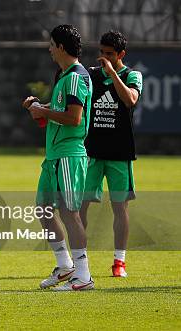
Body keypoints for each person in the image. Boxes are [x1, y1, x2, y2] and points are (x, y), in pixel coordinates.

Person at [22, 24, 94, 291]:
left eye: (52, 44)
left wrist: (43, 112)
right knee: (43, 209)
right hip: (55, 156)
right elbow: (64, 108)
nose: (49, 49)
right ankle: (65, 266)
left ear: (61, 47)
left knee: (69, 213)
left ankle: (83, 275)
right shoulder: (65, 76)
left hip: (68, 155)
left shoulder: (75, 77)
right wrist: (40, 107)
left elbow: (75, 119)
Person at [80, 31, 143, 278]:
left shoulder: (132, 75)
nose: (103, 58)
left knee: (120, 209)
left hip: (120, 154)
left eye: (109, 54)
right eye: (101, 53)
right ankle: (79, 260)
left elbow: (130, 100)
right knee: (79, 208)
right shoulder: (91, 75)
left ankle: (119, 262)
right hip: (92, 153)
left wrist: (113, 74)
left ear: (121, 55)